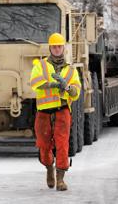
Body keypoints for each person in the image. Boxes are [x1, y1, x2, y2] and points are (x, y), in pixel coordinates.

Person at [29, 32, 81, 191]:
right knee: (44, 145)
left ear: (63, 48)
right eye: (54, 47)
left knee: (62, 145)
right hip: (44, 112)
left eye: (59, 46)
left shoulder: (71, 70)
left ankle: (60, 179)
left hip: (62, 111)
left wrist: (67, 87)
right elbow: (35, 82)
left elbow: (76, 92)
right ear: (50, 48)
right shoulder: (41, 65)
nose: (57, 49)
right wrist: (53, 85)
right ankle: (49, 169)